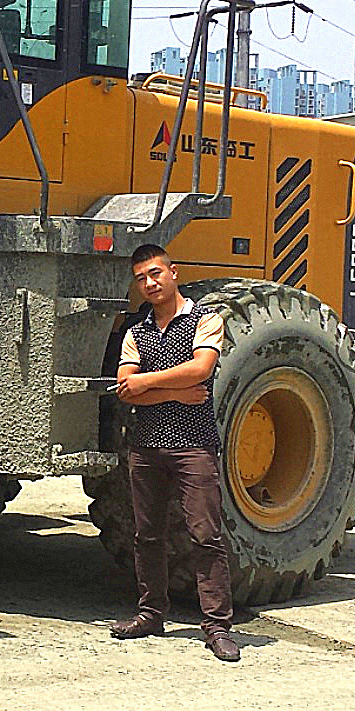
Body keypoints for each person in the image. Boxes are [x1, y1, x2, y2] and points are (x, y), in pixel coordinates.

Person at [110, 244, 241, 662]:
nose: (149, 283)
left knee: (205, 535)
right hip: (146, 447)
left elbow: (201, 371)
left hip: (193, 447)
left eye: (155, 274)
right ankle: (150, 613)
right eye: (141, 278)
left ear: (173, 273)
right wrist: (174, 391)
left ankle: (218, 627)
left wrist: (149, 384)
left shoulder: (206, 320)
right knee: (147, 535)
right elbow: (126, 389)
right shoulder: (136, 330)